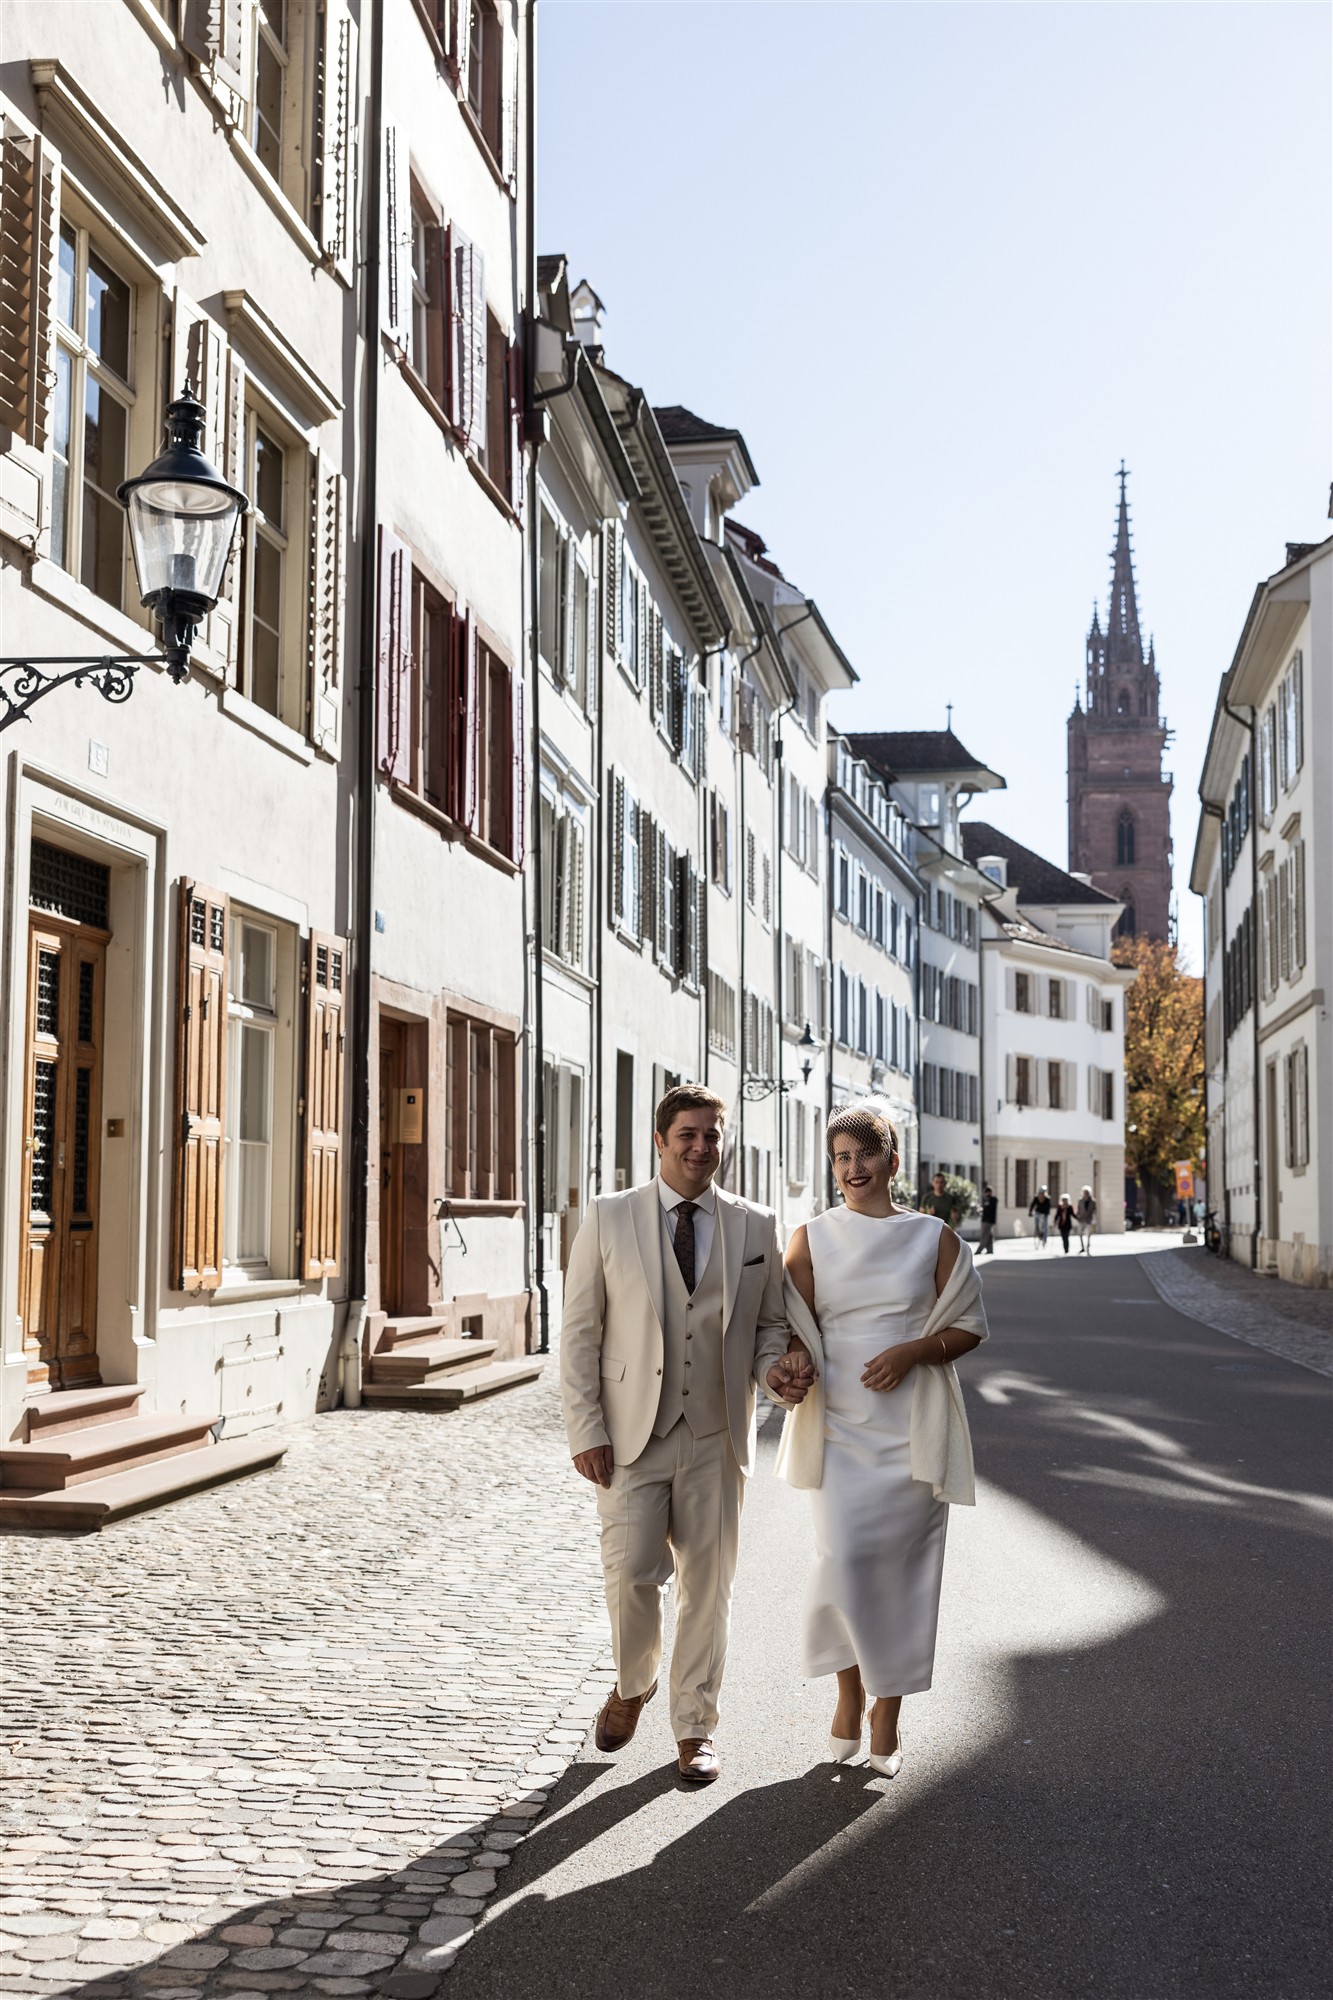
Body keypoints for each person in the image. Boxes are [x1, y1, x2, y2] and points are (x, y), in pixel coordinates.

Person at [560, 1084, 813, 1787]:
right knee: (631, 1577)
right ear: (660, 1141)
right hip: (628, 1435)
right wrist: (585, 1426)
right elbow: (579, 1333)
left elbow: (766, 1326)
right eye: (688, 1136)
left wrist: (772, 1373)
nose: (702, 1147)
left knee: (708, 1588)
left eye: (712, 1135)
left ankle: (694, 1728)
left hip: (717, 1433)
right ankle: (631, 1683)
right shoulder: (609, 1218)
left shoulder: (754, 1224)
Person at [775, 1108, 988, 1777]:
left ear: (892, 1162)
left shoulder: (934, 1238)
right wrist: (791, 1365)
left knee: (903, 1574)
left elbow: (971, 1326)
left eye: (865, 1154)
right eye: (839, 1156)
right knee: (842, 1559)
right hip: (838, 1426)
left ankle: (887, 1713)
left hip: (911, 1430)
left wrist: (916, 1350)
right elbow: (787, 1329)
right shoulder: (808, 1238)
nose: (852, 1168)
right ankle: (846, 1693)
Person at [1075, 1186, 1097, 1254]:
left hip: (1088, 1219)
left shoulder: (1093, 1201)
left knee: (1088, 1234)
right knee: (1080, 1233)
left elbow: (1094, 1210)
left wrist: (1094, 1219)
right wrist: (1077, 1216)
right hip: (1081, 1219)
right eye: (1084, 1192)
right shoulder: (1080, 1200)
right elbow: (1078, 1209)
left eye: (1087, 1192)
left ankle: (1088, 1246)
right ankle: (1082, 1247)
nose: (1085, 1194)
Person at [979, 1184, 997, 1256]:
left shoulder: (993, 1200)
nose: (986, 1194)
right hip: (985, 1219)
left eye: (987, 1192)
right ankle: (990, 1249)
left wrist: (983, 1209)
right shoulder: (985, 1199)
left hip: (989, 1220)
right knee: (989, 1235)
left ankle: (980, 1249)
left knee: (985, 1235)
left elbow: (989, 1208)